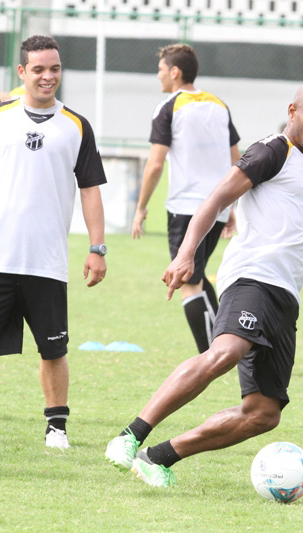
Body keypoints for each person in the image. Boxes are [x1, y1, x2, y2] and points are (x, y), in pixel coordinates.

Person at [105, 82, 303, 487]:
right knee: (225, 352)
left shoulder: (301, 165)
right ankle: (130, 435)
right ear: (292, 111)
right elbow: (215, 198)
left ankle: (157, 458)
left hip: (285, 297)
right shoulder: (273, 150)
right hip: (253, 278)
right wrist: (186, 254)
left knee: (264, 413)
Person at [0, 35, 108, 448]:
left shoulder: (77, 126)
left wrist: (97, 247)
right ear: (22, 71)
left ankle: (56, 428)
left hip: (46, 261)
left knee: (53, 350)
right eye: (39, 69)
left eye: (55, 69)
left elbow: (90, 190)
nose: (48, 77)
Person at [131, 43, 240, 354]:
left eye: (161, 70)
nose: (158, 76)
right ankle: (225, 348)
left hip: (186, 208)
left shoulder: (169, 107)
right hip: (217, 207)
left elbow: (155, 164)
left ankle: (212, 357)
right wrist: (230, 206)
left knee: (187, 283)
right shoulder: (219, 105)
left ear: (175, 72)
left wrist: (141, 207)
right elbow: (236, 159)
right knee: (199, 277)